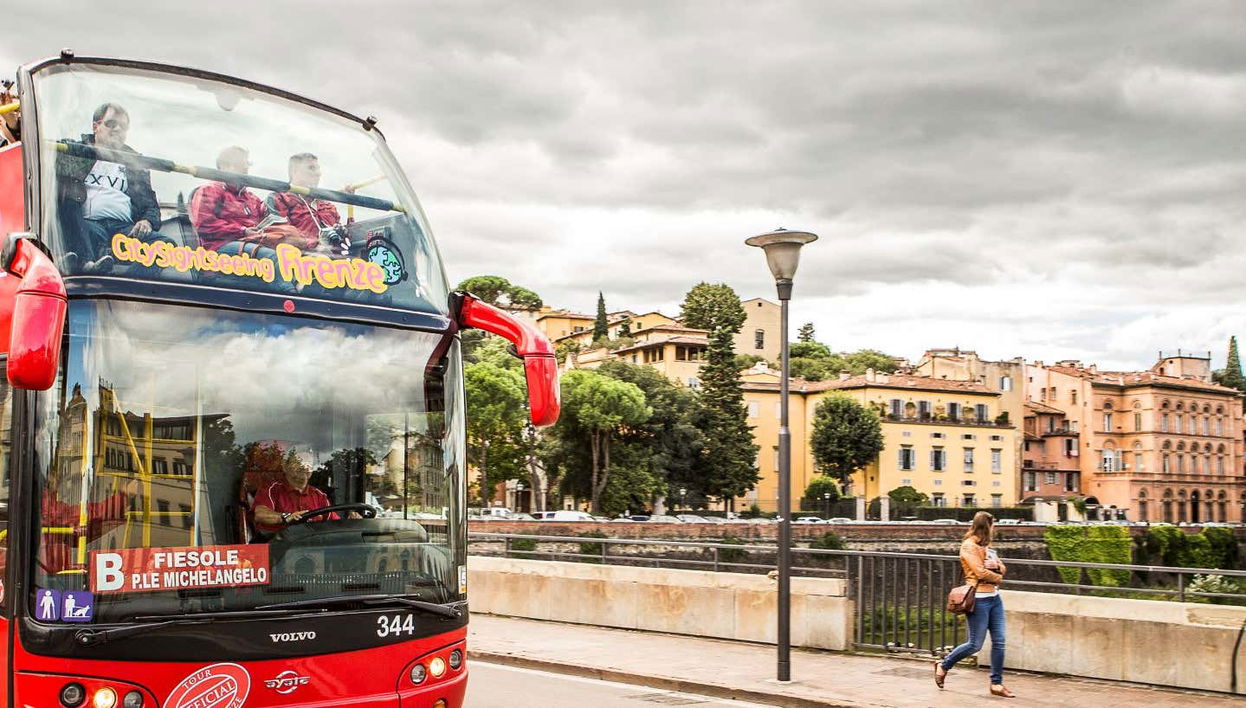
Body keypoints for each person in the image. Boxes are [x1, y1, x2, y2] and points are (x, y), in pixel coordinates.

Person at [54, 103, 164, 262]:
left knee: (164, 245)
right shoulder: (74, 151)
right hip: (86, 226)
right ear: (95, 127)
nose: (118, 129)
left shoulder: (136, 163)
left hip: (124, 232)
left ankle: (128, 282)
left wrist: (147, 221)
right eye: (111, 123)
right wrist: (13, 125)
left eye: (123, 126)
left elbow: (150, 206)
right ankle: (87, 263)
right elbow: (38, 149)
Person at [934, 511, 1014, 698]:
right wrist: (998, 577)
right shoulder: (968, 546)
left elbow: (1002, 566)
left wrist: (996, 569)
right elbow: (980, 572)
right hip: (978, 599)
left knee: (1000, 641)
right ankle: (944, 665)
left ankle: (996, 683)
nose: (994, 529)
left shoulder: (987, 547)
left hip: (995, 598)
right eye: (992, 526)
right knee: (974, 644)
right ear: (986, 526)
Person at [189, 145, 314, 254]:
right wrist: (243, 231)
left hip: (254, 240)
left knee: (292, 245)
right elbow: (204, 225)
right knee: (275, 257)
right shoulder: (209, 190)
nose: (246, 167)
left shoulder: (251, 198)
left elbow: (266, 221)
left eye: (247, 163)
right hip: (219, 247)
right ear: (224, 166)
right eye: (242, 162)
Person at [265, 153, 351, 255]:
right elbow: (278, 237)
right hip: (297, 263)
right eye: (311, 168)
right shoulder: (278, 199)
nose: (318, 173)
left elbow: (343, 244)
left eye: (318, 169)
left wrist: (343, 232)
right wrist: (315, 246)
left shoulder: (328, 206)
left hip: (336, 263)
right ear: (295, 172)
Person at [252, 452, 343, 534]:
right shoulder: (271, 489)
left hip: (312, 546)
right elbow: (260, 514)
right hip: (276, 546)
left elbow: (335, 524)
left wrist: (351, 521)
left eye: (308, 464)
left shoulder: (319, 496)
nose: (304, 467)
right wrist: (287, 517)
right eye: (298, 463)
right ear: (285, 466)